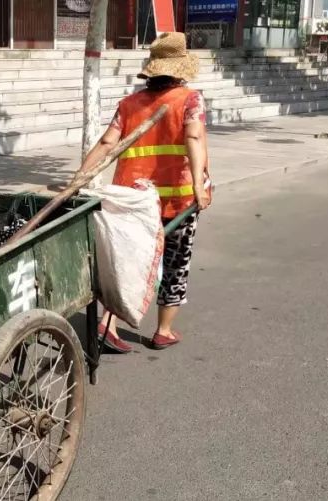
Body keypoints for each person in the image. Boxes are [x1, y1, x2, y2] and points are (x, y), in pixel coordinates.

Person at [77, 32, 212, 352]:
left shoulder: (129, 103)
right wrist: (199, 185)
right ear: (180, 69)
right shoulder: (190, 99)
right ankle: (163, 330)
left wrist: (80, 176)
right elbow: (194, 140)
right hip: (176, 201)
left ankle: (107, 324)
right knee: (175, 264)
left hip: (132, 201)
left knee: (129, 262)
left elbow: (108, 143)